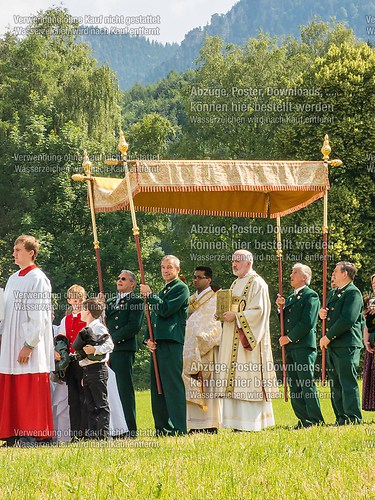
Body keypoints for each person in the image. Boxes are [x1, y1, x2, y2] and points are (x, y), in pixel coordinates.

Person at [0, 235, 54, 446]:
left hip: (28, 342)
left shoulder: (38, 278)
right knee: (12, 385)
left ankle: (31, 433)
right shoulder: (13, 278)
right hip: (10, 341)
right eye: (14, 249)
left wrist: (29, 344)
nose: (14, 253)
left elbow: (39, 315)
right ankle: (13, 432)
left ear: (31, 253)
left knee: (29, 387)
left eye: (18, 250)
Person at [217, 249, 278, 431]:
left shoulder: (257, 283)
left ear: (249, 263)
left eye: (238, 261)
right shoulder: (236, 282)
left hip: (248, 342)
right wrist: (221, 314)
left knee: (247, 379)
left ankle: (251, 423)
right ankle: (236, 423)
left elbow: (259, 313)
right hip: (231, 337)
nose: (234, 264)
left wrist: (236, 317)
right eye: (233, 260)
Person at [140, 255, 190, 436]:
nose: (165, 270)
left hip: (171, 343)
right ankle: (162, 427)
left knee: (172, 386)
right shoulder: (164, 290)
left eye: (169, 267)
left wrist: (150, 296)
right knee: (157, 387)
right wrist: (148, 339)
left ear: (177, 270)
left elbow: (166, 310)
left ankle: (178, 427)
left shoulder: (181, 288)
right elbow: (153, 317)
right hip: (158, 344)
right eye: (163, 267)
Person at [276, 263, 324, 428]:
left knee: (306, 383)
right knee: (294, 384)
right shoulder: (289, 298)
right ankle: (304, 420)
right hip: (290, 347)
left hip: (303, 347)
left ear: (304, 277)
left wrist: (289, 338)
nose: (291, 275)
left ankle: (316, 420)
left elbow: (307, 323)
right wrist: (279, 309)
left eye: (294, 272)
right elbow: (284, 322)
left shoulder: (311, 296)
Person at [319, 261, 364, 425]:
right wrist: (321, 314)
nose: (333, 274)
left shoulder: (353, 293)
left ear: (345, 274)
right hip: (333, 345)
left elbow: (347, 320)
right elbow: (331, 316)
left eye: (336, 271)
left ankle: (353, 418)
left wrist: (328, 337)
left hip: (347, 344)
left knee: (347, 382)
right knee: (335, 384)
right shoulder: (333, 293)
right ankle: (341, 417)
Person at [183, 266, 222, 433]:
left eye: (199, 277)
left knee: (208, 385)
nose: (195, 280)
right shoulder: (190, 300)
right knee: (190, 382)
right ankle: (194, 425)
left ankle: (210, 424)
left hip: (207, 348)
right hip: (189, 349)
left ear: (209, 280)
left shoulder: (216, 298)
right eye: (194, 277)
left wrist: (204, 338)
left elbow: (218, 323)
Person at [105, 270, 144, 437]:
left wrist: (111, 339)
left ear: (132, 284)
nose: (119, 280)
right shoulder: (110, 301)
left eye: (123, 279)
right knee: (110, 389)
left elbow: (133, 326)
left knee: (124, 389)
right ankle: (115, 428)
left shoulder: (135, 301)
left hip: (122, 349)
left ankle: (129, 429)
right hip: (107, 351)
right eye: (118, 278)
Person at [74, 298, 114, 439]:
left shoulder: (99, 327)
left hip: (98, 369)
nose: (81, 312)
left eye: (84, 309)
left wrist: (95, 349)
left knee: (100, 404)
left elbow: (109, 345)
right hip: (88, 370)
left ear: (89, 311)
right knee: (90, 405)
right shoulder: (87, 328)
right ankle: (94, 435)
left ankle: (103, 436)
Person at [58, 284, 88, 439]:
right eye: (74, 299)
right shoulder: (66, 319)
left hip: (84, 361)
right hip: (71, 363)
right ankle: (75, 434)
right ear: (69, 300)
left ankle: (86, 433)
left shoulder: (88, 317)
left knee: (85, 397)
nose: (77, 303)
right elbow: (62, 340)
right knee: (73, 399)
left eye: (80, 299)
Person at [362, 273, 375, 411]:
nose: (374, 285)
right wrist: (366, 341)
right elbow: (367, 324)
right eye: (373, 283)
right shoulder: (371, 301)